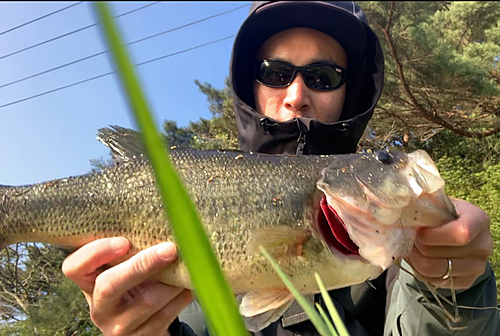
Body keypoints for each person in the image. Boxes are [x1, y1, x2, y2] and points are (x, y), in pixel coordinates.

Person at [62, 1, 499, 335]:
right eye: (275, 72)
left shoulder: (399, 242)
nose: (295, 94)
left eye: (324, 76)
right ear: (248, 84)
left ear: (354, 90)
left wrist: (455, 288)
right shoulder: (197, 188)